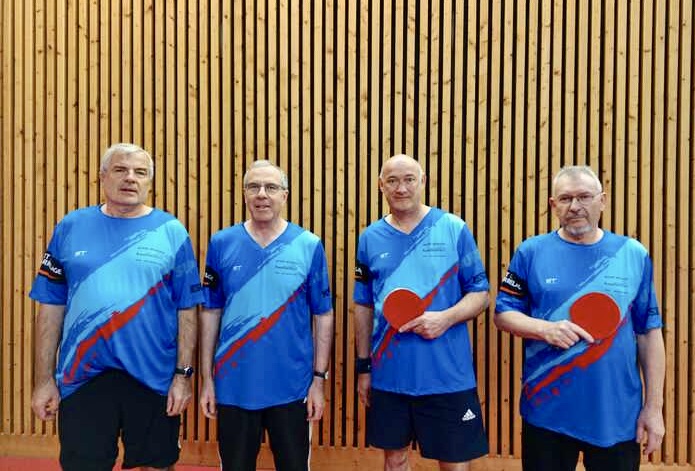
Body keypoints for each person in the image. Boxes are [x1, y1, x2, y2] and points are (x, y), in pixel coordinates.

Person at [30, 143, 204, 471]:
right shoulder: (70, 227)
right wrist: (43, 380)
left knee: (156, 465)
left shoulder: (171, 232)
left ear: (149, 181)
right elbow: (50, 308)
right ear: (102, 176)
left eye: (140, 172)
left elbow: (187, 309)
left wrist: (183, 376)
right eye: (120, 170)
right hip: (83, 377)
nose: (130, 178)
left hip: (152, 376)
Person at [494, 165, 666, 471]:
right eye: (565, 198)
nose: (575, 206)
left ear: (603, 200)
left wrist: (654, 408)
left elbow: (649, 333)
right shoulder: (530, 252)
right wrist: (544, 329)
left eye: (584, 197)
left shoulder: (632, 254)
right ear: (553, 205)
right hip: (547, 410)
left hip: (615, 412)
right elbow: (503, 313)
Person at [353, 154, 490, 471]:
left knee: (454, 463)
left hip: (447, 376)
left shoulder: (453, 228)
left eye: (409, 179)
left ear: (423, 181)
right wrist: (363, 367)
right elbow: (363, 305)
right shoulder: (370, 238)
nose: (401, 188)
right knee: (394, 459)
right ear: (381, 185)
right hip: (389, 377)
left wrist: (445, 318)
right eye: (392, 181)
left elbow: (481, 294)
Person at [199, 160, 334, 471]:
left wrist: (318, 381)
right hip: (234, 385)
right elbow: (210, 312)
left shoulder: (308, 245)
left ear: (284, 195)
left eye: (271, 187)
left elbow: (323, 315)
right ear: (244, 194)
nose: (262, 194)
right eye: (253, 187)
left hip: (292, 386)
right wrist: (207, 379)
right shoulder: (221, 243)